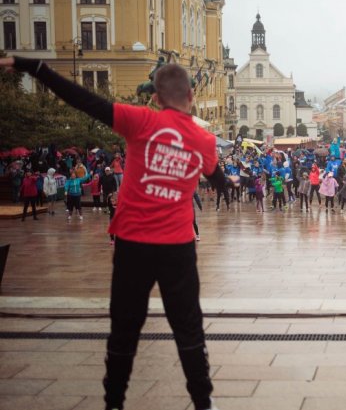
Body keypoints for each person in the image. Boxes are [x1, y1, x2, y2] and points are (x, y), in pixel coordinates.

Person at [2, 56, 228, 410]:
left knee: (124, 328)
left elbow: (83, 99)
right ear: (192, 96)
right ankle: (203, 403)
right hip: (178, 247)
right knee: (188, 329)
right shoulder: (204, 139)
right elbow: (216, 175)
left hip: (133, 244)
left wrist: (34, 67)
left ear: (154, 97)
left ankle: (114, 404)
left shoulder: (140, 120)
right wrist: (223, 183)